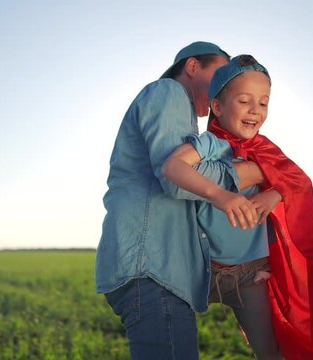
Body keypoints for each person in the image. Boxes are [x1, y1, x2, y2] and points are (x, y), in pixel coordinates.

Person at [163, 54, 313, 359]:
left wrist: (275, 194)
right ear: (217, 107)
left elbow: (298, 182)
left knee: (272, 353)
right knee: (171, 343)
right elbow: (173, 167)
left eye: (264, 103)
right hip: (198, 269)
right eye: (244, 101)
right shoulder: (210, 145)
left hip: (250, 274)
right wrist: (221, 194)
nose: (256, 110)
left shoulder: (266, 149)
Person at [95, 42, 267, 360]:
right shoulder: (169, 92)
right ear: (191, 67)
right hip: (151, 266)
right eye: (221, 72)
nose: (227, 83)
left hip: (152, 267)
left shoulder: (185, 119)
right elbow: (176, 178)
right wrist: (258, 171)